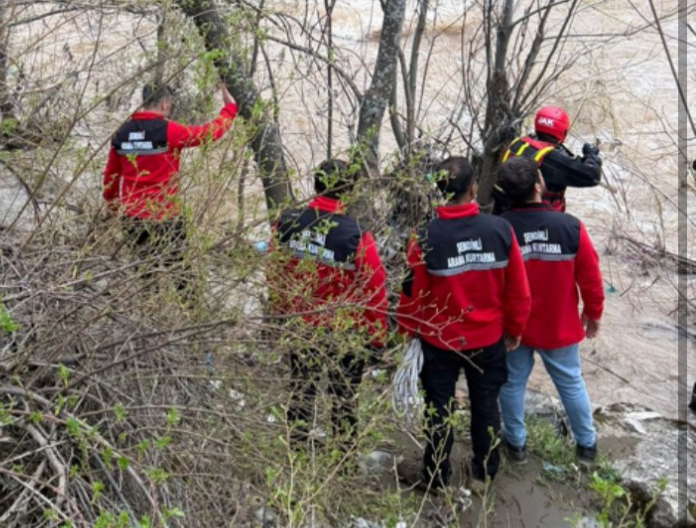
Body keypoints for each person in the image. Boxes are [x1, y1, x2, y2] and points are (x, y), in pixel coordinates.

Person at [399, 157, 532, 489]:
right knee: (486, 406)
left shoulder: (425, 237)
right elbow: (519, 290)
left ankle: (435, 477)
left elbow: (411, 295)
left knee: (438, 409)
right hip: (487, 340)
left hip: (439, 341)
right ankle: (483, 475)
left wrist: (408, 331)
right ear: (473, 189)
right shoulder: (500, 230)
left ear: (439, 192)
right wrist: (514, 330)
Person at [267, 159, 388, 443]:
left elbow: (274, 274)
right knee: (344, 398)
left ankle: (296, 450)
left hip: (300, 326)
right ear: (349, 192)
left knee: (301, 391)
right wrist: (376, 336)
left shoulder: (286, 223)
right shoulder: (356, 236)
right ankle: (343, 462)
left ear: (316, 183)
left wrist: (282, 312)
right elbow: (374, 289)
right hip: (344, 332)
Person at [496, 157, 604, 464]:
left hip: (514, 327)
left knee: (512, 382)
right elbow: (591, 277)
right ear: (538, 186)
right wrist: (593, 313)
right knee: (570, 382)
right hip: (559, 325)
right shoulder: (570, 226)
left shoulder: (502, 229)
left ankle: (515, 445)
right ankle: (586, 446)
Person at [102, 82, 238, 292]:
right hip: (165, 218)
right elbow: (209, 132)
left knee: (145, 276)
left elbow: (111, 177)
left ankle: (151, 317)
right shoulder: (169, 131)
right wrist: (229, 108)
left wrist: (112, 208)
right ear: (165, 104)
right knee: (182, 276)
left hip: (132, 218)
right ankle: (191, 318)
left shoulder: (121, 133)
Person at [494, 106, 601, 213]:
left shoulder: (518, 143)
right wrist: (591, 155)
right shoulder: (549, 158)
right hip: (537, 220)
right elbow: (591, 176)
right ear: (563, 132)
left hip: (503, 212)